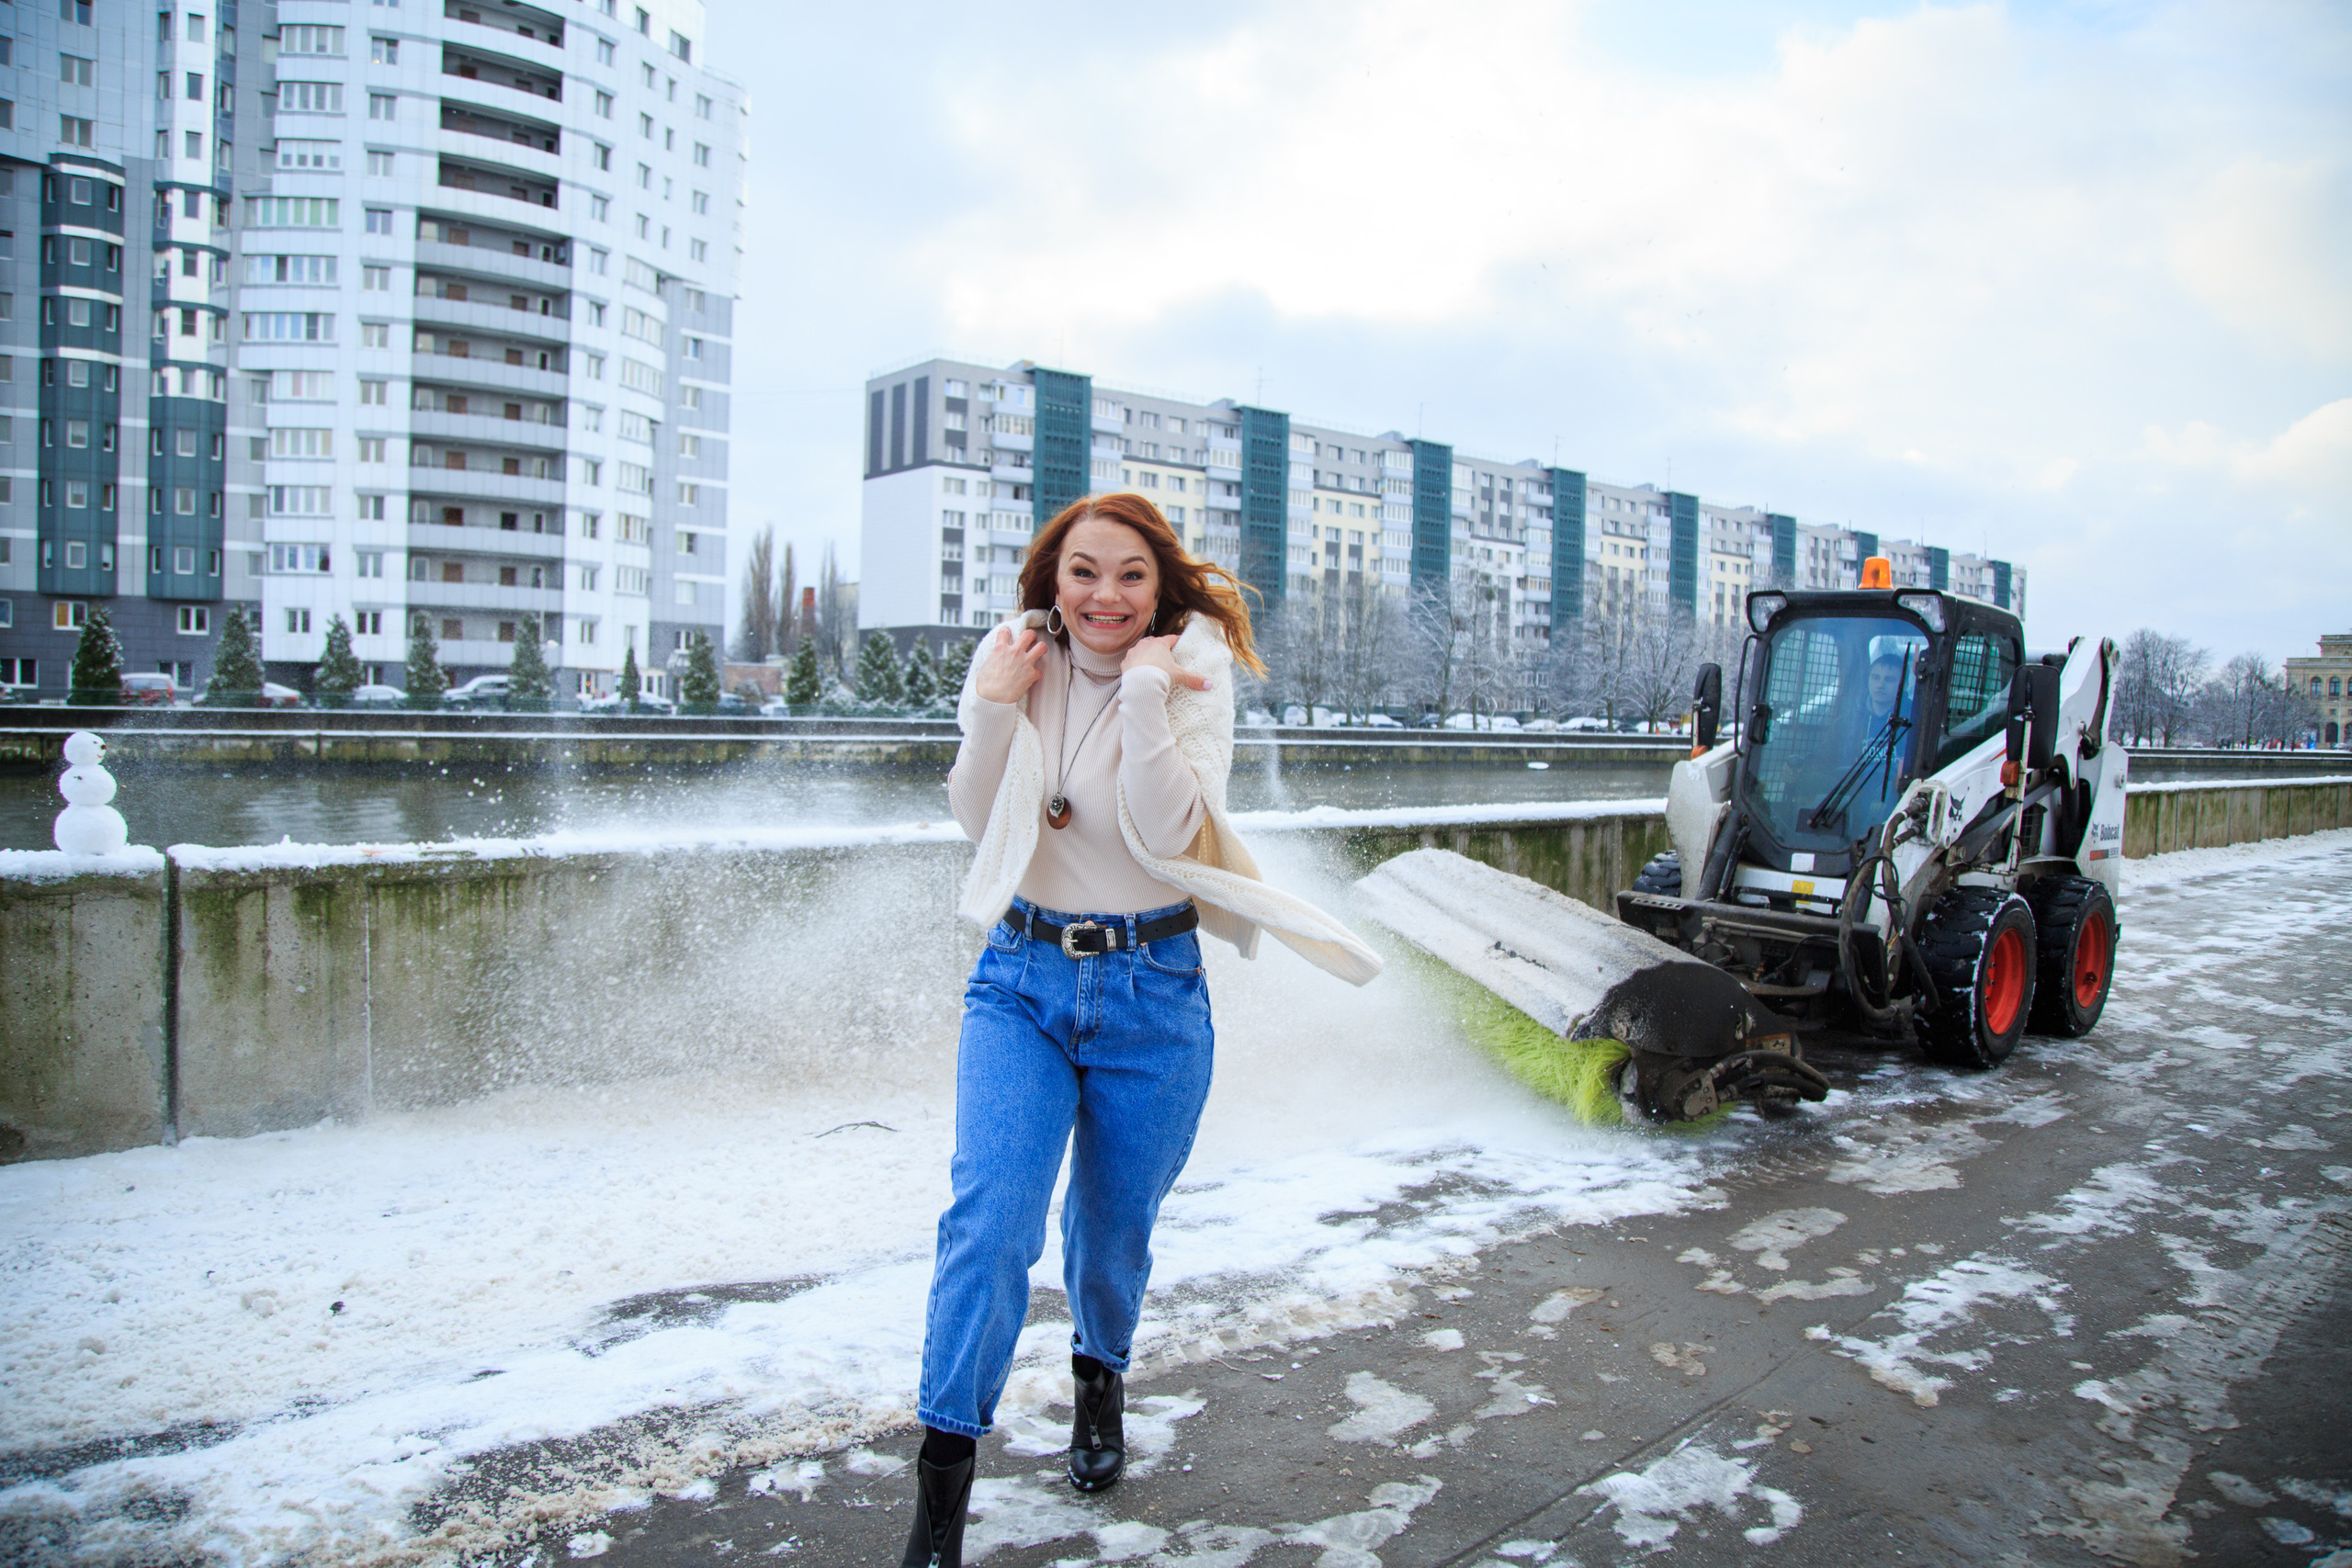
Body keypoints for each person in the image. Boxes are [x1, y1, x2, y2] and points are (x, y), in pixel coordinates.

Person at [899, 492, 1382, 1568]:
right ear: (1053, 578)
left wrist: (1147, 698)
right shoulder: (1016, 659)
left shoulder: (1190, 674)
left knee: (1111, 1230)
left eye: (1129, 574)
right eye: (1083, 571)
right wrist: (993, 709)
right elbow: (981, 823)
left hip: (1153, 991)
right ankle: (940, 1501)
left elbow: (1170, 832)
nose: (1104, 595)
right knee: (990, 1225)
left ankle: (1097, 1380)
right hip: (1021, 980)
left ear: (1159, 586)